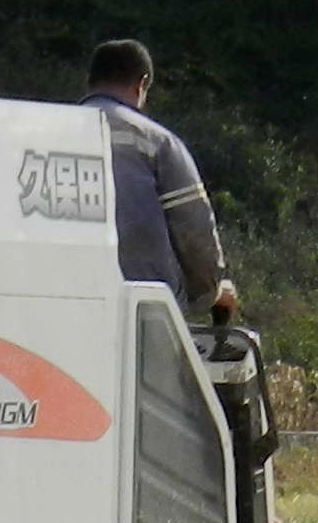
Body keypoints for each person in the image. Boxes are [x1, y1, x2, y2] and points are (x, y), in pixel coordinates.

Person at [83, 38, 234, 320]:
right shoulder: (156, 143)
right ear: (141, 84)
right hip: (143, 313)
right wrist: (211, 292)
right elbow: (194, 229)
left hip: (66, 305)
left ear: (89, 82)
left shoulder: (50, 134)